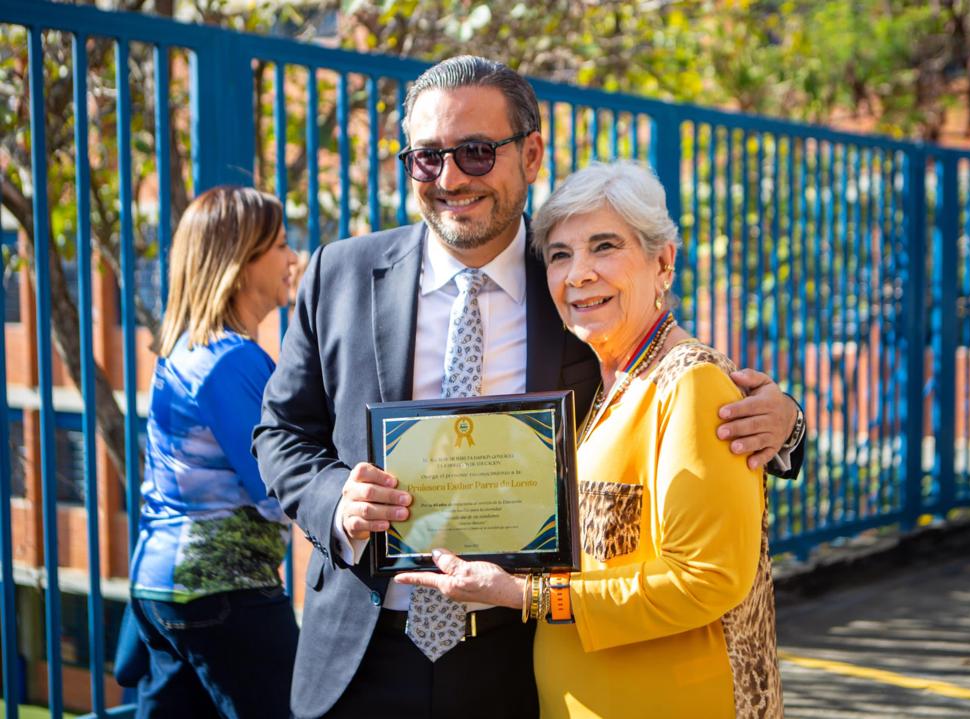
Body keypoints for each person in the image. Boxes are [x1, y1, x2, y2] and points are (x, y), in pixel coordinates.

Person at [254, 55, 802, 719]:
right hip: (361, 656)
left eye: (477, 152)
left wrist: (787, 424)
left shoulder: (578, 287)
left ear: (531, 152)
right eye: (427, 157)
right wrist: (334, 501)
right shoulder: (339, 273)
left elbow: (672, 389)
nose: (451, 178)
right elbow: (281, 433)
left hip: (522, 660)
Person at [396, 161, 782, 718]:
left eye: (604, 247)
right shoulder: (608, 382)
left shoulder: (689, 383)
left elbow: (705, 580)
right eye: (560, 255)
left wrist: (523, 595)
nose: (578, 274)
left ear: (663, 261)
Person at [128, 185, 300, 719]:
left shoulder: (185, 349)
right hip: (223, 589)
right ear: (241, 262)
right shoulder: (232, 359)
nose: (292, 259)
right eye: (279, 246)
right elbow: (277, 486)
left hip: (163, 588)